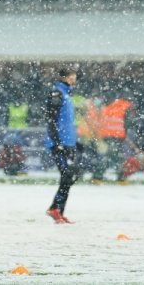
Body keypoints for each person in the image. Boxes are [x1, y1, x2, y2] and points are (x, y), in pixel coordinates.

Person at [45, 67, 81, 224]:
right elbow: (51, 121)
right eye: (73, 76)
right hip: (60, 143)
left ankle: (58, 209)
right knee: (67, 174)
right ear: (66, 77)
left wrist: (75, 142)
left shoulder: (66, 95)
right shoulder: (57, 94)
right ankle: (55, 209)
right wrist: (57, 142)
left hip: (69, 143)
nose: (75, 79)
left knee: (71, 175)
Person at [95, 93, 136, 184]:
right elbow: (128, 121)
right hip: (116, 134)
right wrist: (125, 133)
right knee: (115, 156)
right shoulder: (127, 106)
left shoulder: (112, 105)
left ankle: (99, 176)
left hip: (106, 133)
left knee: (112, 155)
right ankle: (101, 176)